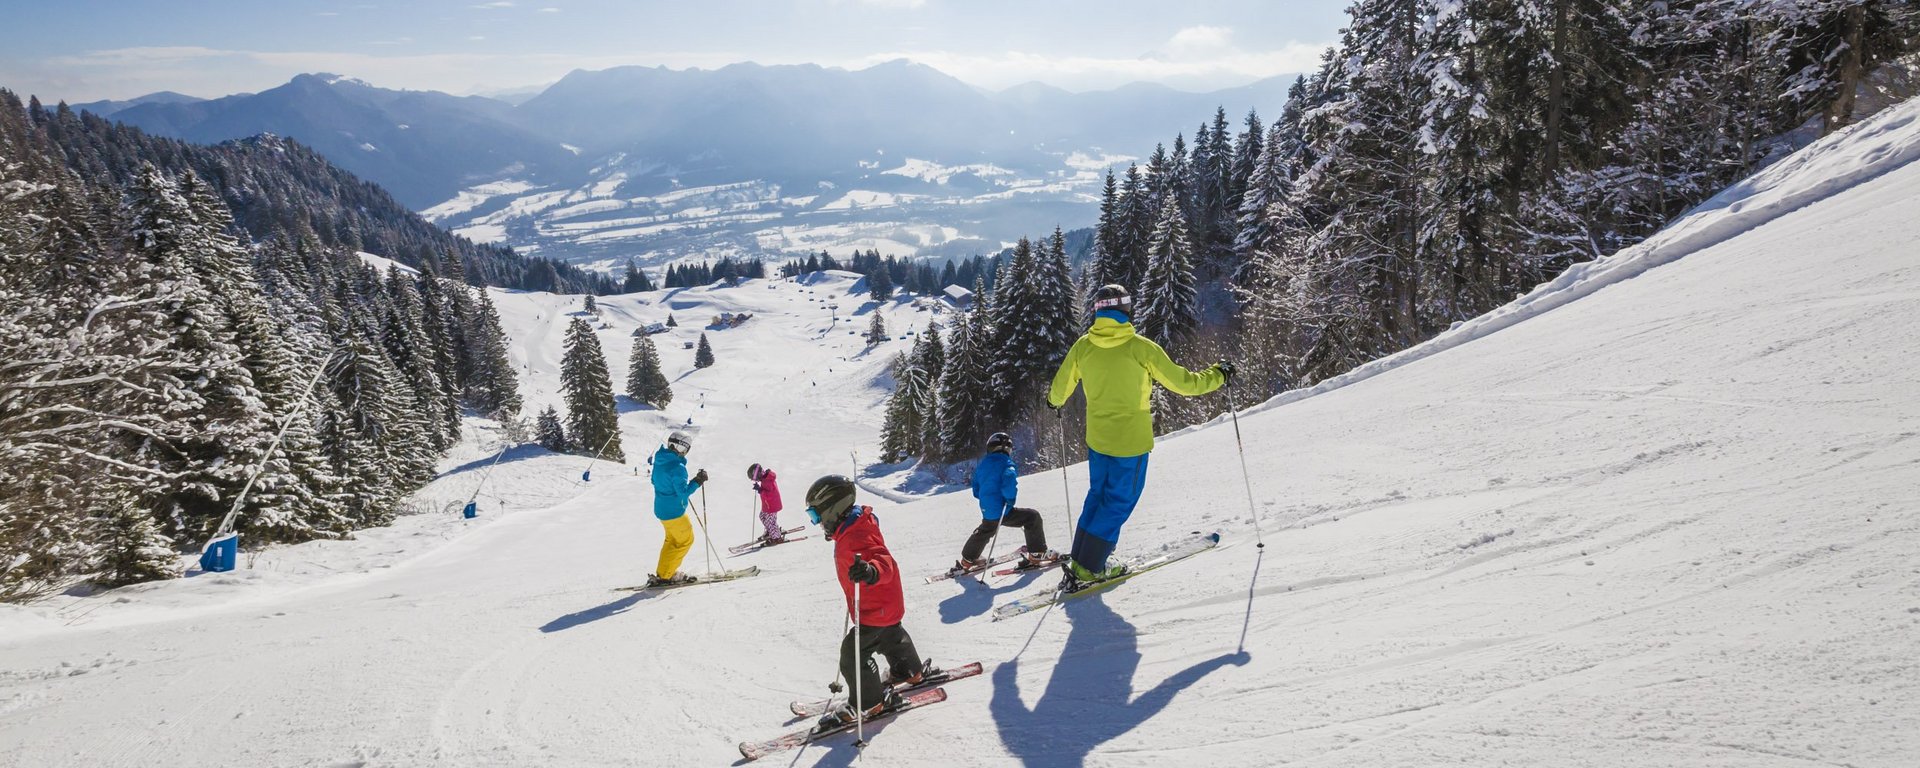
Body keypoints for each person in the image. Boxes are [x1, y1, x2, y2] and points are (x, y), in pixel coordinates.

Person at [1047, 284, 1230, 586]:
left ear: (1098, 311)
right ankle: (1090, 567)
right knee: (1119, 501)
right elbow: (1186, 384)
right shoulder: (1141, 347)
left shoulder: (1083, 346)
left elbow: (1060, 387)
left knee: (1098, 495)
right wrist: (1219, 375)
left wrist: (1053, 402)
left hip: (1098, 440)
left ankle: (1082, 557)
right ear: (1126, 310)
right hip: (1129, 443)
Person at [805, 475, 924, 729]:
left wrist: (871, 571)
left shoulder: (856, 534)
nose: (817, 523)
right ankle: (909, 670)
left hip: (875, 608)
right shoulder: (854, 526)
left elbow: (886, 561)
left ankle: (869, 702)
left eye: (815, 516)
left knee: (853, 653)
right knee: (891, 636)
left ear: (832, 509)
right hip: (885, 605)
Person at [957, 432, 1051, 571]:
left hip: (987, 508)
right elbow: (1009, 482)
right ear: (1008, 450)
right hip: (1003, 508)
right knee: (1032, 517)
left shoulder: (983, 465)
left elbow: (976, 489)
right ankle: (1037, 553)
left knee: (987, 529)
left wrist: (987, 499)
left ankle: (968, 559)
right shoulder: (1006, 463)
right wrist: (1010, 499)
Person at [648, 430, 710, 587]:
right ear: (681, 448)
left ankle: (664, 573)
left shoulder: (659, 460)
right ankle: (667, 576)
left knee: (672, 541)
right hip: (674, 513)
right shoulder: (678, 467)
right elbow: (683, 493)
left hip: (662, 510)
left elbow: (655, 481)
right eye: (686, 449)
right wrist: (697, 481)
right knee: (685, 540)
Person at [748, 463, 785, 544]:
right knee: (762, 516)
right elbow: (767, 491)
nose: (755, 481)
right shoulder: (765, 479)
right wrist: (760, 489)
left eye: (754, 479)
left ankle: (777, 538)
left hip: (772, 506)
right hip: (768, 505)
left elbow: (770, 495)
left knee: (770, 522)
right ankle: (771, 531)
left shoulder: (767, 481)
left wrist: (760, 490)